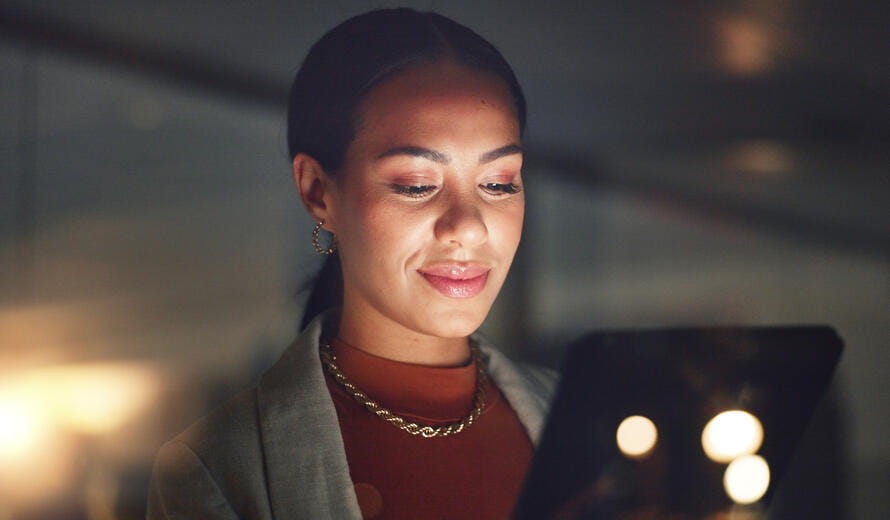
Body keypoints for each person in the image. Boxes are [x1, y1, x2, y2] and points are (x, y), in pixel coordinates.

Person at [146, 8, 558, 519]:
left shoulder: (582, 415)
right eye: (415, 185)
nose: (468, 227)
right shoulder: (219, 466)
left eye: (498, 183)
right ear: (318, 192)